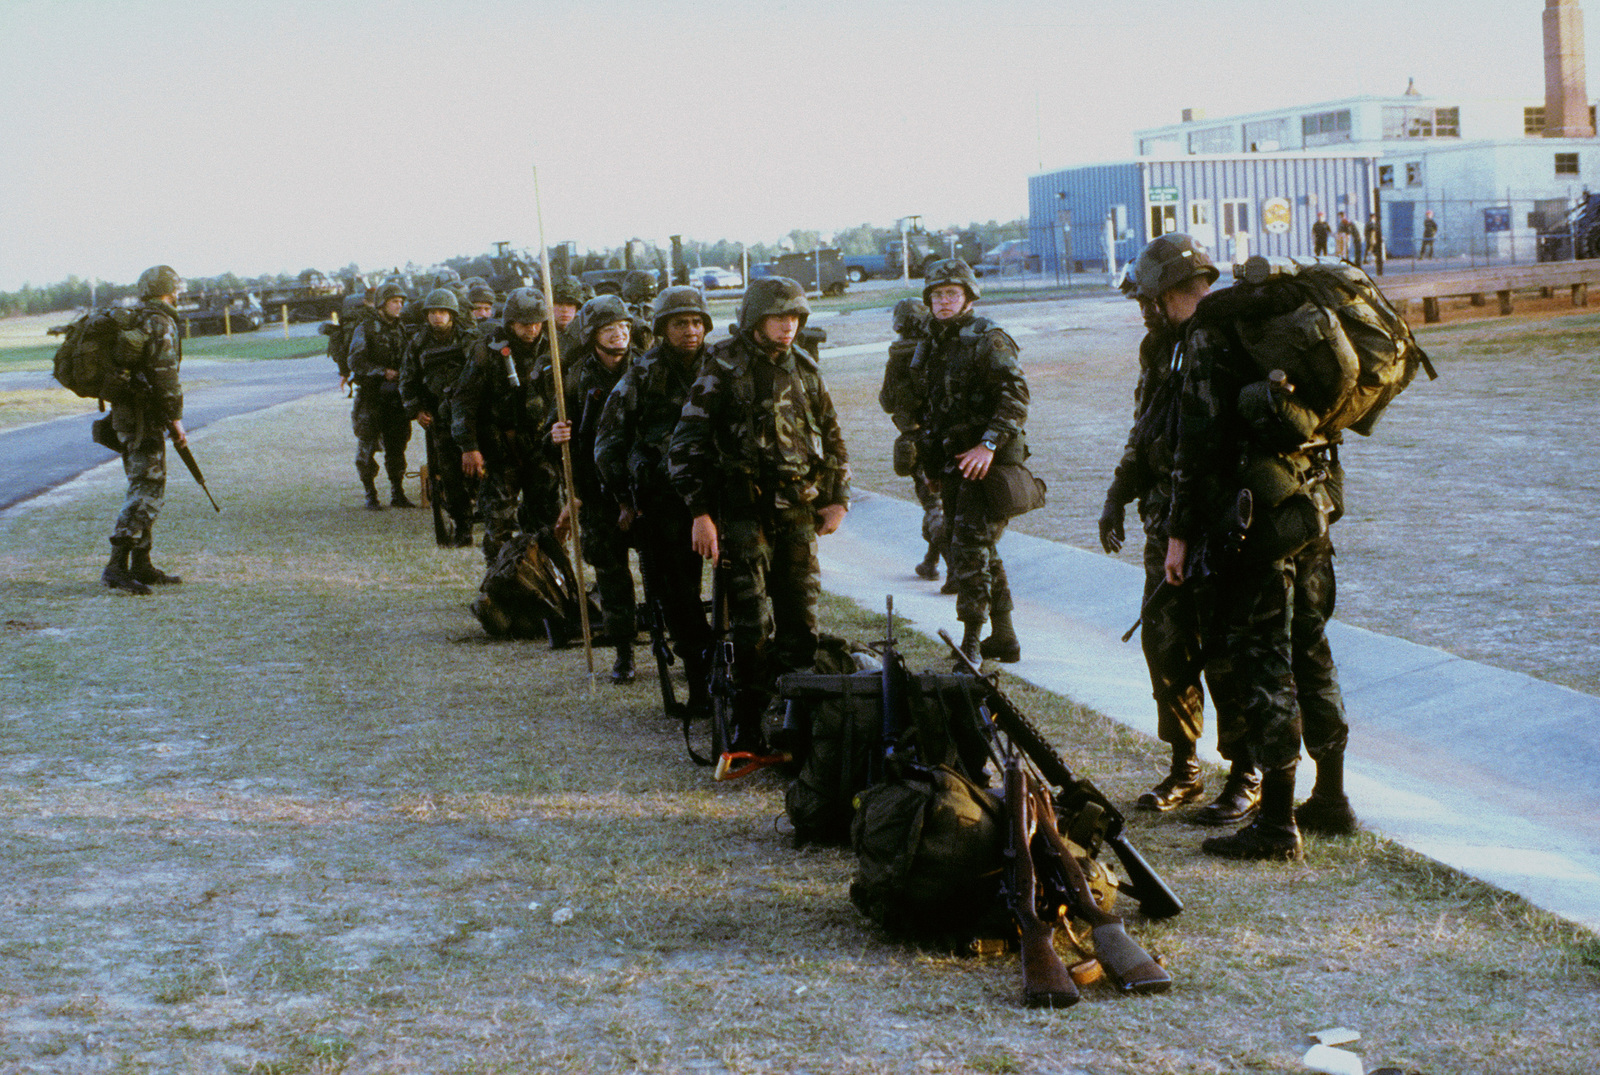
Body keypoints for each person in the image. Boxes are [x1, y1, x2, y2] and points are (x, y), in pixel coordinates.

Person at [1164, 257, 1357, 861]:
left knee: (1264, 663)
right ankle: (1331, 797)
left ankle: (1276, 823)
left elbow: (1196, 438)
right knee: (1313, 650)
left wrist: (1179, 531)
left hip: (1256, 523)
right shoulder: (1284, 321)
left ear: (1170, 293)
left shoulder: (1208, 331)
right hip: (1312, 506)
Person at [1101, 235, 1258, 824]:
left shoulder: (1220, 343)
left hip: (1213, 528)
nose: (1143, 310)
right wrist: (1120, 493)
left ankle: (1246, 771)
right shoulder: (1158, 346)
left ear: (1175, 292)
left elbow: (1206, 446)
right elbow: (1148, 427)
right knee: (1164, 646)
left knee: (1224, 653)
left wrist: (1183, 535)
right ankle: (1185, 766)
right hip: (1166, 521)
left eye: (1149, 299)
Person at [667, 276, 850, 750]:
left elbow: (832, 437)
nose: (788, 327)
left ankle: (795, 721)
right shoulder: (722, 367)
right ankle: (748, 722)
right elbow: (685, 447)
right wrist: (701, 513)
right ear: (754, 320)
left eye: (794, 318)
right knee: (750, 625)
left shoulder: (805, 368)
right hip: (742, 514)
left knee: (801, 619)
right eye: (778, 318)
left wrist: (838, 498)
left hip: (798, 513)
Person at [595, 286, 718, 710]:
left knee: (739, 594)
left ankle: (737, 675)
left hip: (719, 497)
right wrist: (626, 499)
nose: (691, 331)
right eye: (680, 323)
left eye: (697, 322)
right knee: (678, 596)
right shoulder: (642, 374)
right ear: (662, 328)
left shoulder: (722, 366)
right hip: (664, 502)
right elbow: (607, 445)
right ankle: (700, 680)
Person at [911, 258, 1029, 664]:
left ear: (967, 298)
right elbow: (932, 409)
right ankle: (1006, 636)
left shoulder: (989, 338)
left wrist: (989, 445)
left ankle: (973, 641)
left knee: (969, 547)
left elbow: (1016, 397)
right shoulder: (934, 341)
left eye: (951, 294)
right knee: (981, 549)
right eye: (937, 295)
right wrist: (932, 469)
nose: (943, 301)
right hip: (955, 462)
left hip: (988, 463)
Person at [550, 294, 643, 682]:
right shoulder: (572, 377)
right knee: (611, 572)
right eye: (610, 330)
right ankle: (623, 651)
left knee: (660, 571)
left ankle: (671, 641)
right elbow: (555, 434)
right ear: (593, 336)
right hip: (596, 487)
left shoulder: (647, 368)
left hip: (642, 483)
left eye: (624, 328)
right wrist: (555, 436)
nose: (619, 336)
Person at [454, 287, 563, 563]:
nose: (532, 330)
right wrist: (469, 446)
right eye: (525, 324)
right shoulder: (486, 351)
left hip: (541, 445)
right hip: (500, 449)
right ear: (511, 322)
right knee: (498, 522)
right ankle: (499, 580)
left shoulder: (555, 347)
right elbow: (464, 401)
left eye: (538, 323)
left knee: (548, 521)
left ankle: (548, 579)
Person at [100, 265, 188, 594]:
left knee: (146, 485)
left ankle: (141, 564)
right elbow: (166, 376)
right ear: (170, 291)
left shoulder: (136, 316)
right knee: (146, 491)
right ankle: (115, 567)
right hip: (143, 419)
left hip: (128, 416)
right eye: (177, 289)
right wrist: (176, 420)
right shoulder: (160, 321)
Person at [878, 297, 950, 585]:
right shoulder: (938, 350)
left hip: (919, 442)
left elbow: (886, 401)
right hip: (944, 437)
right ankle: (931, 562)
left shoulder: (898, 356)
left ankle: (954, 570)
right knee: (942, 505)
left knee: (934, 506)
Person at [401, 287, 479, 544]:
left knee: (480, 469)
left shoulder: (470, 338)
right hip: (440, 418)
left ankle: (488, 516)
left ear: (452, 314)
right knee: (449, 475)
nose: (438, 317)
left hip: (471, 414)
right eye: (433, 312)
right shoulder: (418, 343)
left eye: (443, 311)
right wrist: (417, 410)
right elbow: (408, 380)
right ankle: (462, 526)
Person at [347, 282, 414, 510]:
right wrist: (382, 372)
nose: (399, 306)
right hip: (371, 397)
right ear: (382, 304)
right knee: (366, 449)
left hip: (395, 398)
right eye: (395, 302)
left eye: (401, 302)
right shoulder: (365, 328)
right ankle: (370, 494)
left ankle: (397, 492)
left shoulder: (401, 327)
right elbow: (355, 361)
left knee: (397, 447)